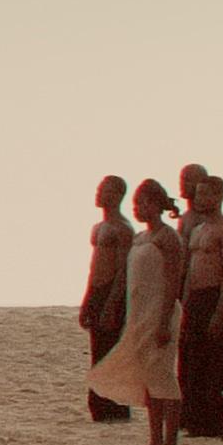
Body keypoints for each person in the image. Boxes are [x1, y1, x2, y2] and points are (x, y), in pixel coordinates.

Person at [86, 177, 185, 445]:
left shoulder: (168, 237)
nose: (139, 208)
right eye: (136, 204)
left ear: (156, 205)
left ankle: (170, 442)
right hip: (140, 312)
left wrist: (165, 319)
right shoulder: (141, 238)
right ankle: (155, 439)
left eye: (143, 203)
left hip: (161, 311)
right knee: (147, 376)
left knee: (163, 374)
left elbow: (173, 280)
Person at [173, 166, 223, 440]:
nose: (200, 198)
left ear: (217, 197)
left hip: (217, 295)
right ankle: (195, 418)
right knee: (193, 360)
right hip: (195, 297)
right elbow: (189, 268)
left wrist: (221, 309)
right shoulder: (197, 228)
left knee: (218, 362)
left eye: (205, 194)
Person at [81, 175, 136, 422]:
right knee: (96, 351)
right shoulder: (99, 227)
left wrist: (113, 302)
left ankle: (114, 408)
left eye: (104, 190)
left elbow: (124, 269)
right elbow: (95, 267)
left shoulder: (122, 228)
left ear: (117, 195)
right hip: (97, 290)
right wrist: (88, 298)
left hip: (112, 291)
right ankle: (99, 407)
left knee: (110, 351)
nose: (99, 194)